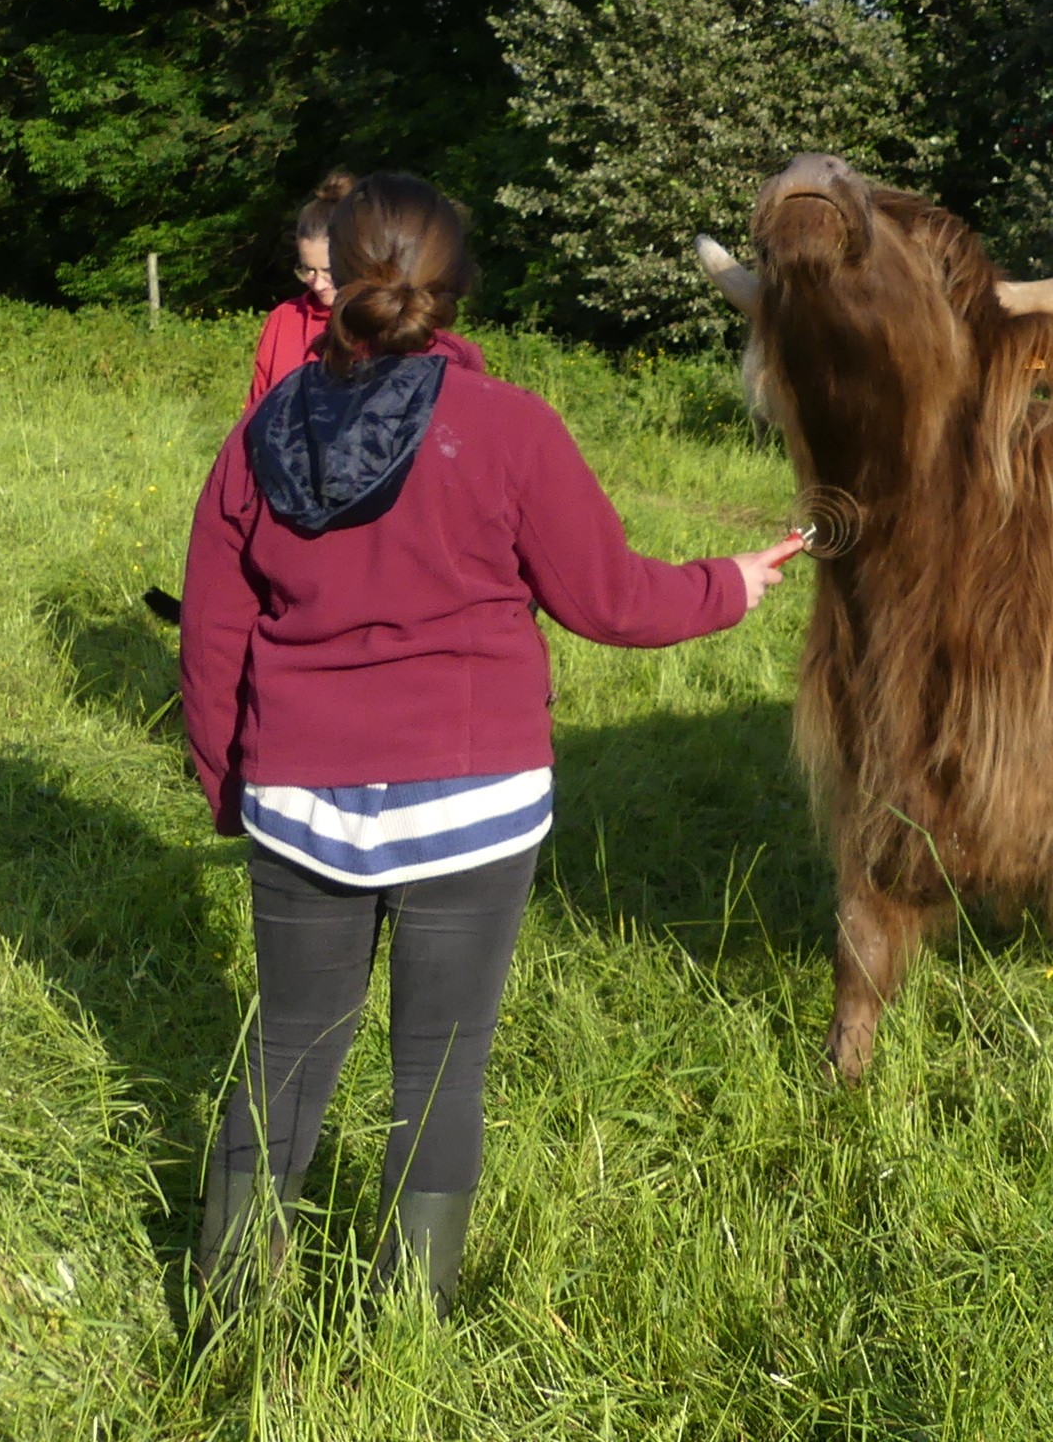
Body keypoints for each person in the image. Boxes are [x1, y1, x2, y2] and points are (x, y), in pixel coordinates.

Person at [178, 171, 801, 1316]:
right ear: (457, 290)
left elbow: (212, 636)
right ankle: (408, 1320)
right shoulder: (510, 427)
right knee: (440, 1066)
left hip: (298, 801)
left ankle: (225, 1312)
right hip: (473, 806)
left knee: (286, 1057)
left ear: (338, 279)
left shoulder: (257, 436)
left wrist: (231, 788)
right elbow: (610, 598)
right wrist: (732, 584)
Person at [247, 171, 491, 409]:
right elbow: (256, 409)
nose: (318, 284)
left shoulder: (394, 320)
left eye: (328, 271)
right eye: (308, 270)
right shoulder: (283, 320)